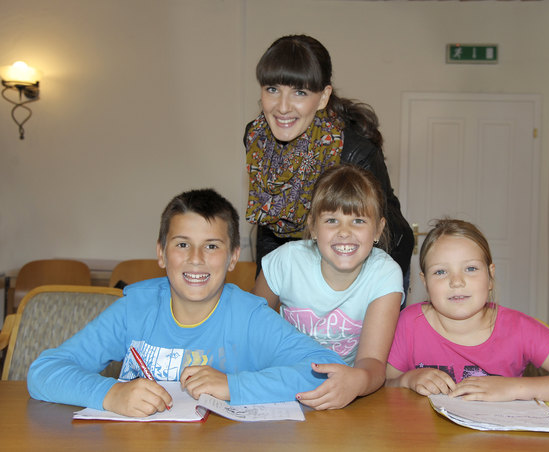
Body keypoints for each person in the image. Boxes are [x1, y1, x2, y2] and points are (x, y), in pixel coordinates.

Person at [27, 188, 344, 417]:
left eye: (211, 246)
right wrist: (110, 394)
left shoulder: (249, 316)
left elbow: (329, 370)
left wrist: (234, 386)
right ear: (162, 253)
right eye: (182, 244)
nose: (196, 259)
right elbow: (44, 371)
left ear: (233, 257)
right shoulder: (134, 308)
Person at [244, 34, 414, 286]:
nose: (282, 107)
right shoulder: (256, 139)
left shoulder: (354, 151)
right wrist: (267, 285)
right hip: (295, 260)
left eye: (299, 92)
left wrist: (373, 295)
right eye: (272, 89)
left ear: (323, 97)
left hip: (366, 265)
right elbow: (272, 226)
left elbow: (391, 234)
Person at [385, 218, 549, 403]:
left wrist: (516, 387)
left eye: (471, 268)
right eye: (441, 272)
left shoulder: (519, 329)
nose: (457, 282)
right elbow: (384, 383)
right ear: (425, 282)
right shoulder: (409, 323)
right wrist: (407, 379)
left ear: (490, 277)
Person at [253, 164, 404, 410]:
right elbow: (251, 329)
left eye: (358, 220)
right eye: (332, 220)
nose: (344, 232)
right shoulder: (284, 262)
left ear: (378, 229)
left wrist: (357, 381)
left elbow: (373, 362)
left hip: (348, 391)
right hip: (281, 379)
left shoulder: (384, 274)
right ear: (313, 226)